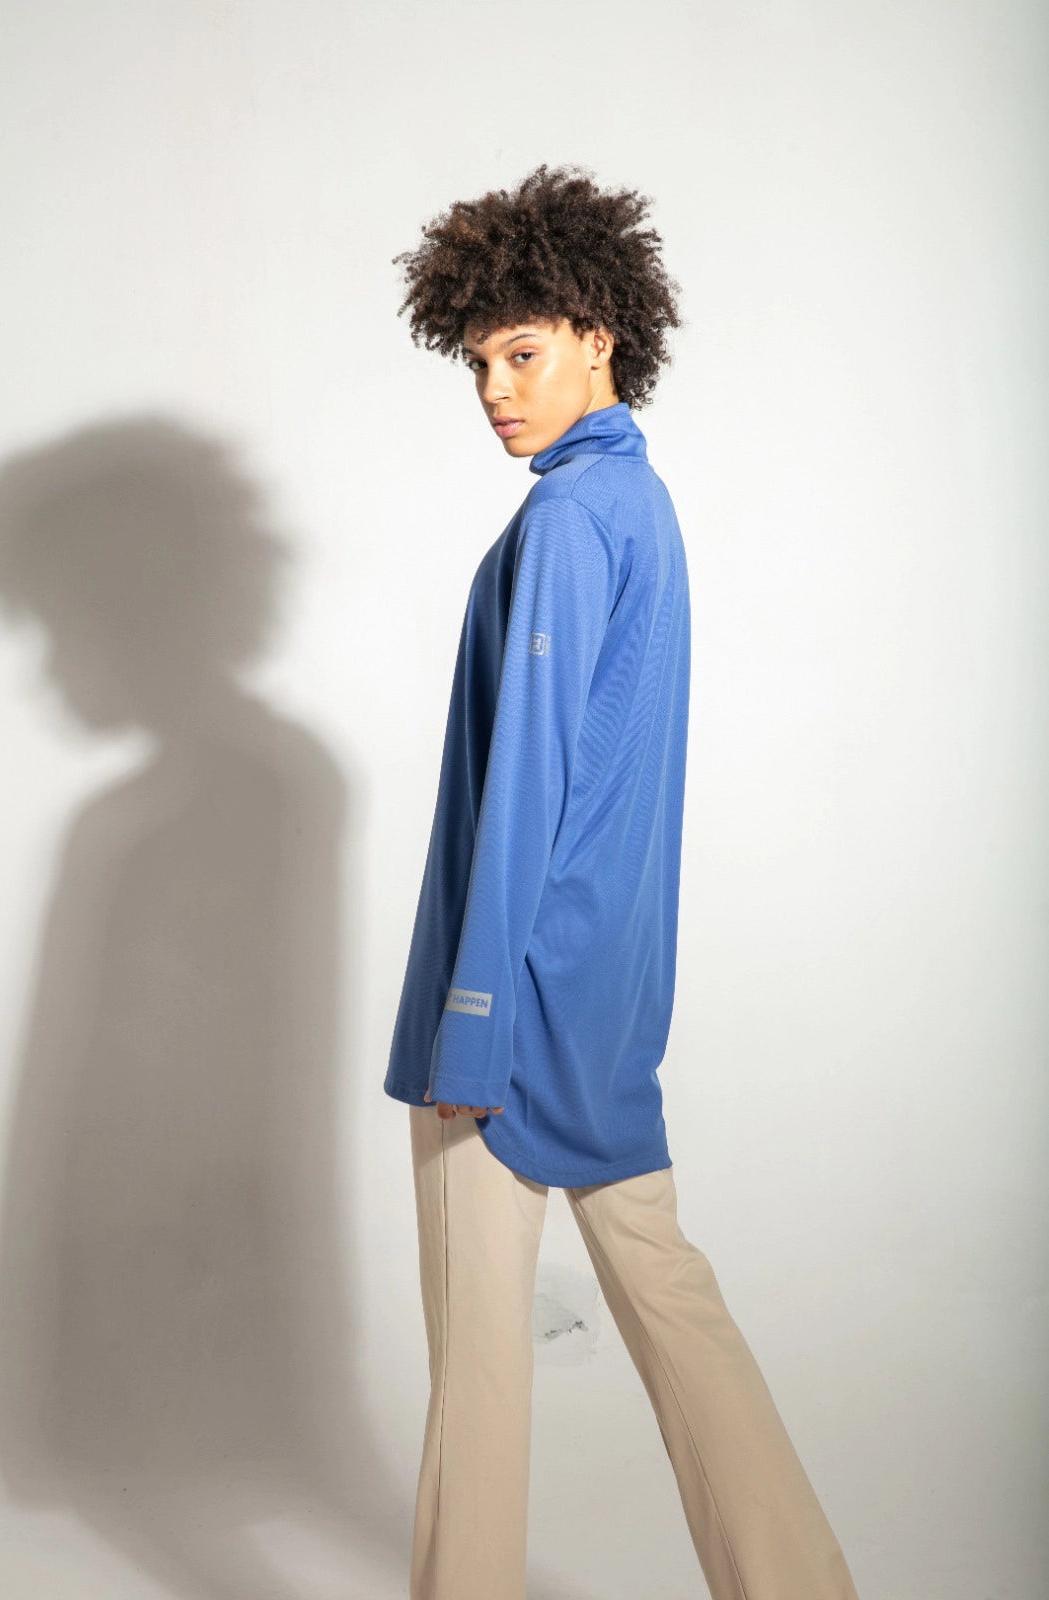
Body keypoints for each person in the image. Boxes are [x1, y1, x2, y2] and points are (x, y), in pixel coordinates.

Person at [383, 164, 860, 1600]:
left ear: (598, 335)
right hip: (603, 998)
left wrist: (470, 1026)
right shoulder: (637, 504)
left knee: (478, 1377)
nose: (494, 390)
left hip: (509, 1008)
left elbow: (531, 785)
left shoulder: (567, 520)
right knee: (673, 1307)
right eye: (478, 363)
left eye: (521, 354)